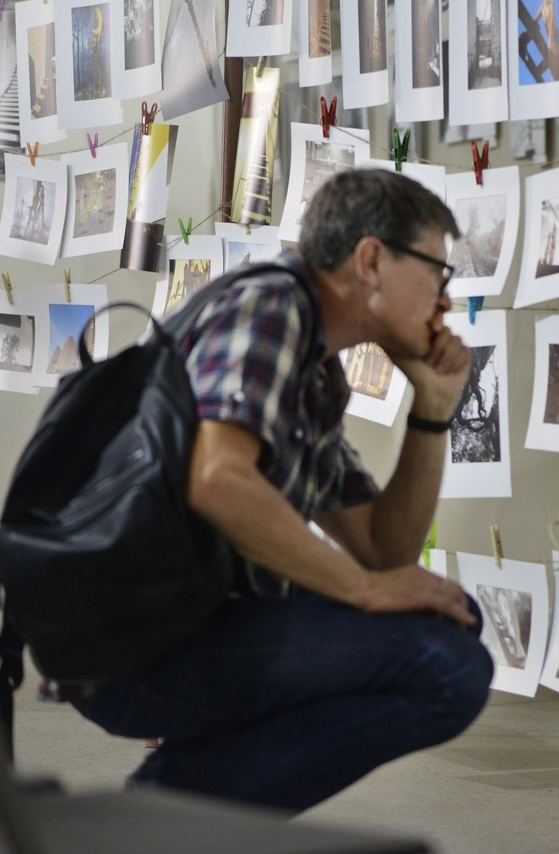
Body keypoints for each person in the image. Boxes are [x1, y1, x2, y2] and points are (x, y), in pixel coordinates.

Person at [66, 168, 494, 814]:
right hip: (134, 641)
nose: (444, 301)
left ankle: (179, 804)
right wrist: (365, 590)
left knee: (446, 616)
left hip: (188, 623)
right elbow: (217, 479)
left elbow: (385, 552)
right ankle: (163, 811)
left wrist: (433, 408)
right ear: (372, 261)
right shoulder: (271, 307)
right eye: (438, 271)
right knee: (448, 667)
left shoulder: (314, 370)